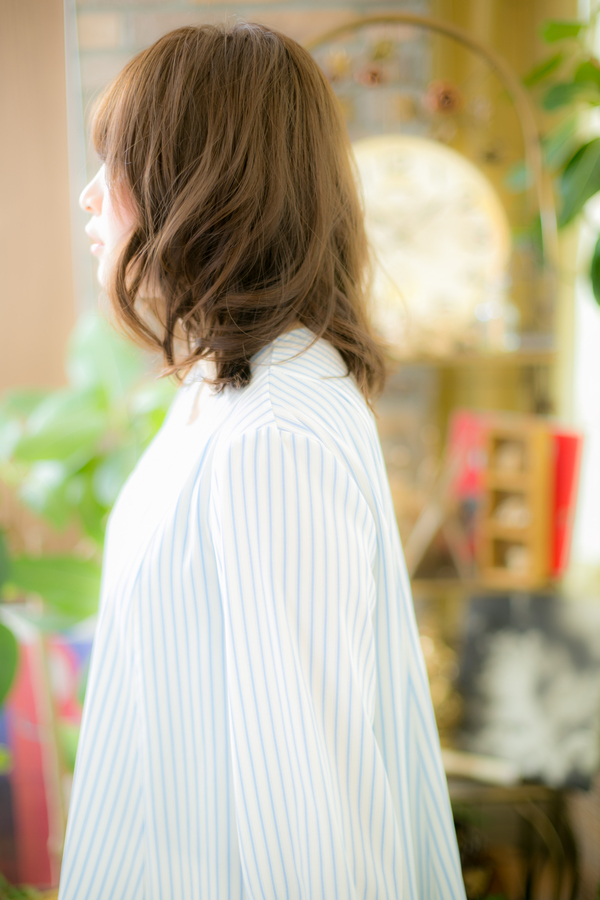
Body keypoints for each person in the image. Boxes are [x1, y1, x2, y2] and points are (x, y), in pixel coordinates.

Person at [58, 22, 465, 900]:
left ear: (200, 181)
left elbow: (312, 810)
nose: (88, 198)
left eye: (115, 163)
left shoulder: (271, 432)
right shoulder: (232, 389)